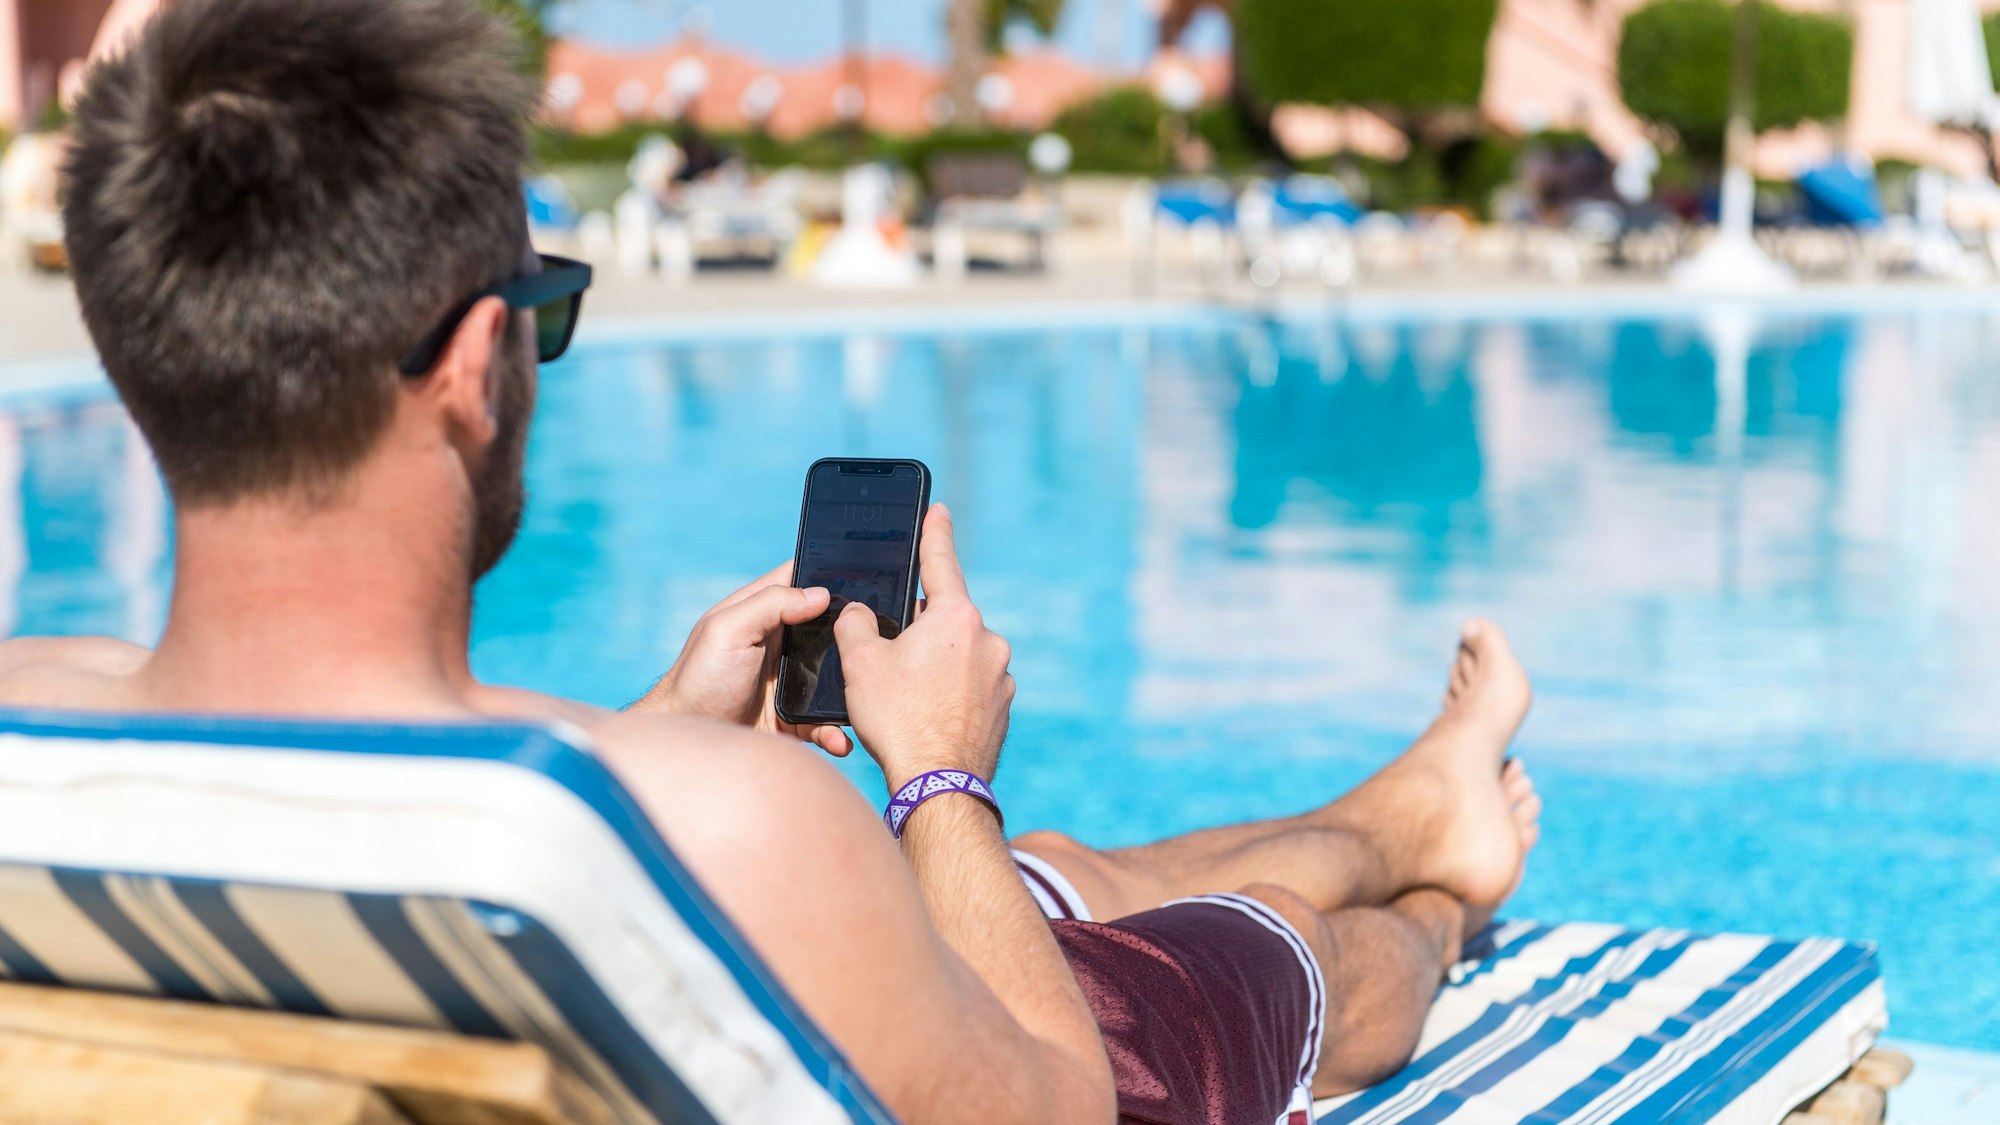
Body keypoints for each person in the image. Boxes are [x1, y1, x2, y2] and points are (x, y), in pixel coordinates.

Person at [0, 1, 1544, 1122]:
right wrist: (937, 771)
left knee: (1073, 876)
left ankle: (1409, 801)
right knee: (1302, 958)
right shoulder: (758, 824)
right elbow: (1061, 1106)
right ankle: (1437, 896)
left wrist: (663, 723)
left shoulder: (34, 722)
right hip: (1038, 1054)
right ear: (477, 365)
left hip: (774, 951)